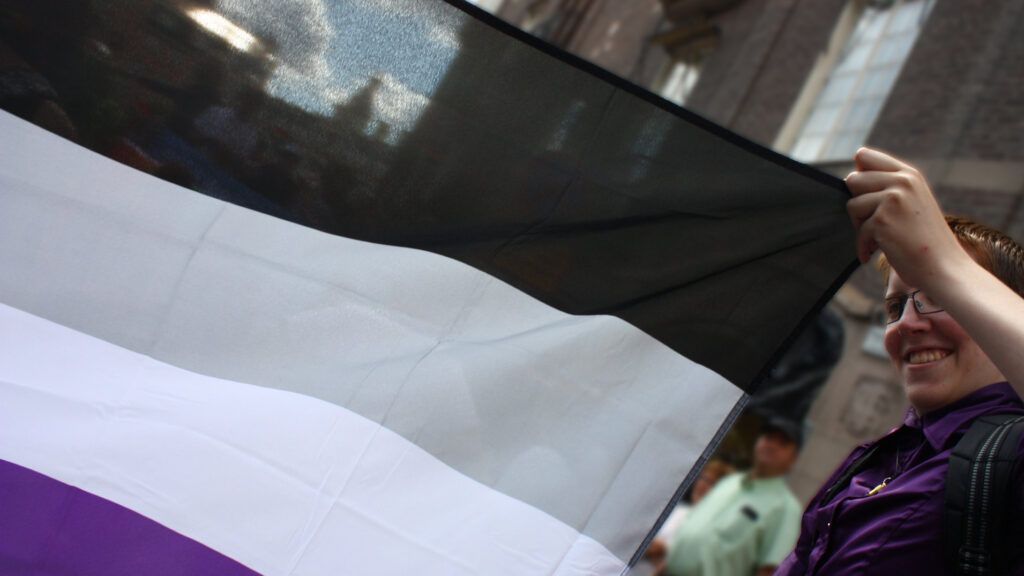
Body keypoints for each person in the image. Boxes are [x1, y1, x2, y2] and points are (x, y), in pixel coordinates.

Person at [775, 147, 1024, 575]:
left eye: (939, 298)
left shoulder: (1013, 460)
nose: (905, 325)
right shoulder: (882, 456)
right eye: (895, 308)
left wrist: (942, 261)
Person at [656, 419, 804, 576]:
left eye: (783, 443)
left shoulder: (786, 508)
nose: (772, 445)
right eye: (768, 438)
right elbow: (696, 530)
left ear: (793, 460)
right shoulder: (731, 482)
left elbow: (770, 570)